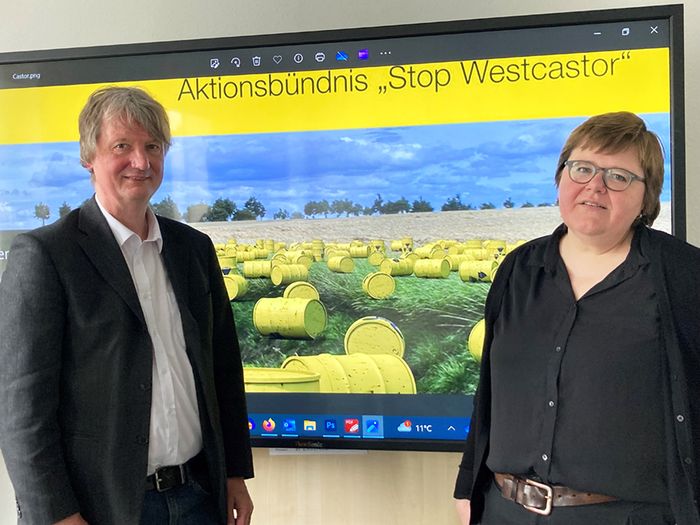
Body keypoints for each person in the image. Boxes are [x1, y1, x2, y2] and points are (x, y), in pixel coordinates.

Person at [0, 86, 254, 524]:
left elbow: (222, 370)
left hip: (198, 496)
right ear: (89, 156)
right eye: (123, 146)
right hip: (104, 509)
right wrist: (57, 516)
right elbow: (21, 408)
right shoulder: (46, 255)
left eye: (152, 147)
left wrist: (234, 472)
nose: (141, 161)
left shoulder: (193, 249)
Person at [453, 111, 700, 524]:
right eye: (582, 169)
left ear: (647, 196)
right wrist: (467, 491)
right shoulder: (518, 269)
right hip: (504, 509)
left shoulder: (681, 273)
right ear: (561, 177)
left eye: (619, 176)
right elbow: (491, 392)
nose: (595, 187)